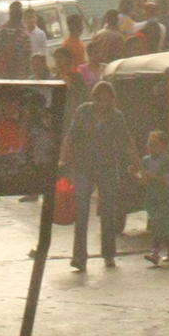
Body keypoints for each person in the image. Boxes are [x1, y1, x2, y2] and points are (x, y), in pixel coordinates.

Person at [61, 80, 134, 269]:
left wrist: (136, 163)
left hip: (107, 167)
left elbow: (126, 141)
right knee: (82, 211)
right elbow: (70, 136)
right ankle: (79, 257)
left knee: (108, 211)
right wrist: (64, 158)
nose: (104, 104)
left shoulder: (117, 117)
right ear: (94, 99)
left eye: (108, 100)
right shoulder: (83, 111)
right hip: (83, 166)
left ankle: (109, 254)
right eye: (101, 100)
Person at [139, 131, 169, 266]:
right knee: (160, 226)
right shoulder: (145, 161)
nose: (151, 148)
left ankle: (155, 253)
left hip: (165, 198)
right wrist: (138, 176)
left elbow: (166, 180)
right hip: (152, 198)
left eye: (155, 145)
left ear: (164, 146)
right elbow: (143, 180)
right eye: (150, 144)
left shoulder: (166, 160)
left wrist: (153, 178)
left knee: (158, 224)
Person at [0, 1, 33, 79]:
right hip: (17, 76)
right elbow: (27, 56)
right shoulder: (24, 34)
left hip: (3, 76)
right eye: (16, 12)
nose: (17, 14)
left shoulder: (1, 31)